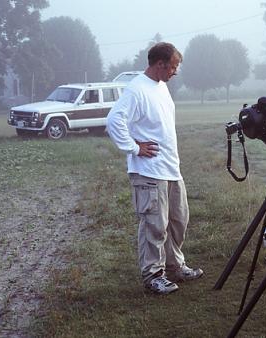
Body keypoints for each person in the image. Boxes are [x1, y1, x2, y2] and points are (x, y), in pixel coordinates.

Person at [106, 42, 203, 295]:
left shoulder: (160, 87)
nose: (175, 72)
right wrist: (135, 148)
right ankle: (153, 276)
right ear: (159, 64)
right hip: (149, 172)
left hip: (171, 168)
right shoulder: (137, 89)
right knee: (154, 226)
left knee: (178, 221)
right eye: (173, 66)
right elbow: (114, 120)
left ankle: (175, 268)